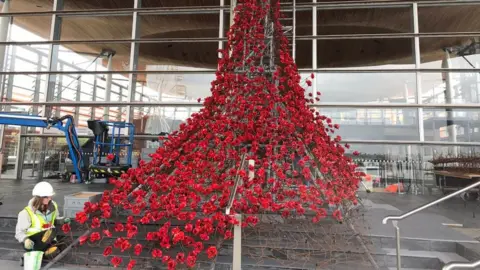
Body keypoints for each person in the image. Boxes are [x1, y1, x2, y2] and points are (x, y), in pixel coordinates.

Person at [15, 181, 68, 269]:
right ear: (39, 198)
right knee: (51, 232)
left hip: (48, 238)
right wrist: (25, 240)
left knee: (57, 248)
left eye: (50, 196)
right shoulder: (26, 213)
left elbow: (56, 218)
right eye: (46, 197)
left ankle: (33, 257)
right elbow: (19, 232)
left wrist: (63, 220)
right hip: (32, 242)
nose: (50, 199)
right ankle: (33, 255)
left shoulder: (53, 206)